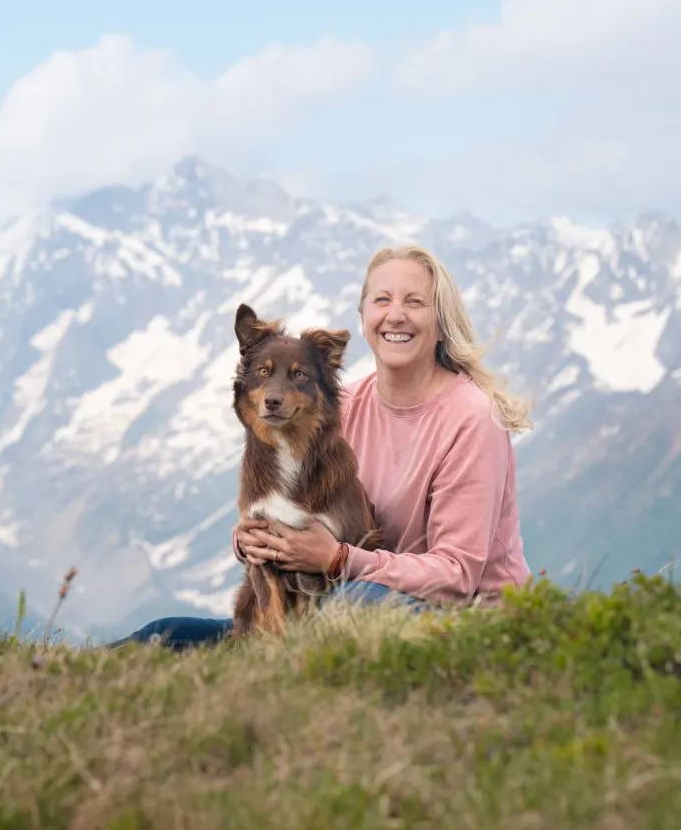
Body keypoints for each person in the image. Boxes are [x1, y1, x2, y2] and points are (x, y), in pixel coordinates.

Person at [110, 242, 534, 650]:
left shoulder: (473, 419)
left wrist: (337, 560)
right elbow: (296, 510)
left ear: (442, 322)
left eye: (415, 302)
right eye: (382, 300)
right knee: (165, 633)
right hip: (345, 596)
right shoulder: (335, 407)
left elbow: (456, 575)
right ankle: (51, 683)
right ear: (364, 315)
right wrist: (253, 541)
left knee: (352, 605)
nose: (396, 315)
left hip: (465, 620)